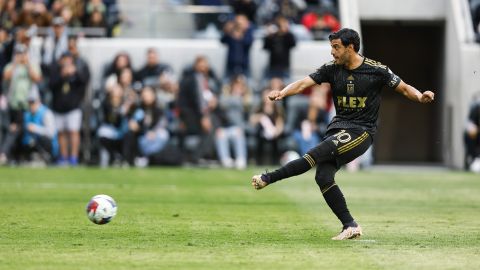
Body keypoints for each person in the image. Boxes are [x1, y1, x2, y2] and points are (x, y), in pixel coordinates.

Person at [251, 28, 435, 240]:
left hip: (361, 131)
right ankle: (350, 225)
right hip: (338, 128)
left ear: (351, 47)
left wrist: (420, 96)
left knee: (314, 154)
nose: (332, 52)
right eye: (331, 47)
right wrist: (282, 92)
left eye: (336, 47)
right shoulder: (331, 69)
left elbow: (403, 88)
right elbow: (303, 83)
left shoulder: (377, 70)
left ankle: (267, 178)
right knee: (323, 176)